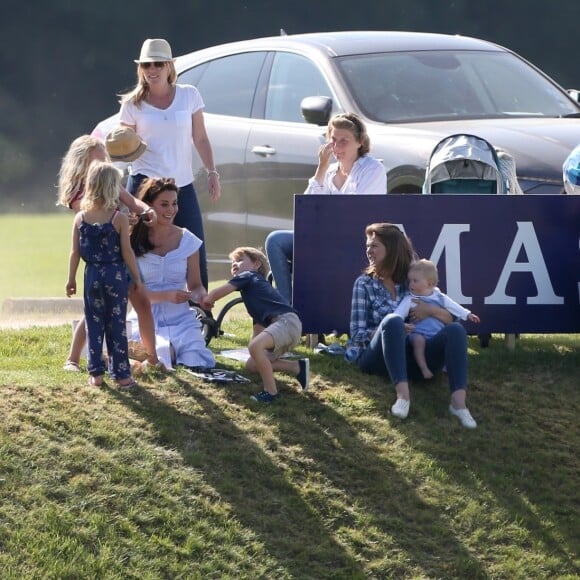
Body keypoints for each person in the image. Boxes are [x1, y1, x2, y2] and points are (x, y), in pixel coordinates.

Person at [346, 223, 477, 429]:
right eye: (368, 246)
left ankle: (458, 404)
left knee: (456, 330)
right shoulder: (364, 284)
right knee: (392, 321)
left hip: (418, 357)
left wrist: (430, 311)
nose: (368, 251)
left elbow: (452, 318)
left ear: (391, 249)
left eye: (375, 246)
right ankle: (403, 397)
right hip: (378, 358)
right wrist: (390, 330)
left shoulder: (413, 279)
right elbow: (356, 335)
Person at [118, 38, 221, 290]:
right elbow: (124, 148)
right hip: (145, 185)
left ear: (169, 66)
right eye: (146, 65)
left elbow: (201, 137)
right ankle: (133, 308)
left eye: (158, 64)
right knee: (136, 245)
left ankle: (202, 312)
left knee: (194, 243)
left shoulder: (189, 95)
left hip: (181, 183)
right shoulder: (132, 104)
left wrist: (212, 172)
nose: (152, 70)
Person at [57, 134, 162, 373]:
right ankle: (73, 358)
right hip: (103, 259)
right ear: (82, 164)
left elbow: (132, 201)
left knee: (141, 302)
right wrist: (124, 216)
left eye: (104, 160)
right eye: (96, 162)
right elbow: (95, 213)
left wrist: (145, 211)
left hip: (121, 256)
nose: (102, 166)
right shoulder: (79, 193)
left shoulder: (110, 182)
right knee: (97, 311)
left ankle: (152, 358)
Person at [265, 112, 386, 305]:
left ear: (360, 141)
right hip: (323, 237)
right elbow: (306, 209)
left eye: (344, 141)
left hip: (355, 239)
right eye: (333, 141)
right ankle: (288, 311)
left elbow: (359, 210)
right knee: (275, 240)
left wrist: (325, 216)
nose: (337, 147)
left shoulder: (372, 169)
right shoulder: (329, 172)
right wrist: (321, 168)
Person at [65, 162, 142, 388]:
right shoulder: (118, 218)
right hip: (115, 275)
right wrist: (137, 278)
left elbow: (74, 252)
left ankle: (96, 373)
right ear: (112, 187)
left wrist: (71, 279)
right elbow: (127, 252)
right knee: (116, 324)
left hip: (91, 275)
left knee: (93, 322)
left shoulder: (80, 218)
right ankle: (122, 375)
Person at [201, 247, 309, 403]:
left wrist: (209, 298)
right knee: (252, 364)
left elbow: (222, 291)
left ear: (256, 265)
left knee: (255, 347)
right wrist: (255, 350)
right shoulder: (256, 294)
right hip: (287, 328)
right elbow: (258, 331)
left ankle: (271, 392)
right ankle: (296, 367)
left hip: (286, 322)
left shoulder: (249, 275)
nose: (234, 264)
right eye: (232, 262)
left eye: (239, 260)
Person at [128, 177, 215, 371]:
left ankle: (162, 355)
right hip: (144, 318)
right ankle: (153, 355)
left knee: (195, 357)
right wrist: (166, 296)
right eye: (164, 204)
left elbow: (195, 284)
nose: (171, 210)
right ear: (148, 206)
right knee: (160, 350)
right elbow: (132, 292)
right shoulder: (132, 241)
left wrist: (201, 297)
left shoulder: (188, 240)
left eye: (174, 204)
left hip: (181, 319)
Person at [393, 259, 480, 380]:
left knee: (448, 340)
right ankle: (423, 368)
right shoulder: (410, 299)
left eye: (415, 281)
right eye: (410, 280)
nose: (411, 284)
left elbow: (453, 306)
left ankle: (446, 366)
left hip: (436, 334)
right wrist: (398, 324)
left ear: (430, 284)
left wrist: (467, 314)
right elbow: (398, 315)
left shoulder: (440, 297)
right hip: (418, 333)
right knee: (418, 341)